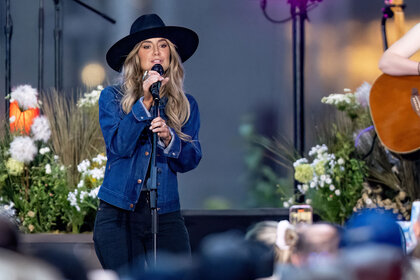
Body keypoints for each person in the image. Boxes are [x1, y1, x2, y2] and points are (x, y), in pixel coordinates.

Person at [93, 13, 202, 273]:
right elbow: (118, 146)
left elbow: (191, 159)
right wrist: (144, 104)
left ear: (171, 54)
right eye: (147, 46)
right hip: (118, 214)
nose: (156, 52)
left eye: (163, 45)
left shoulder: (186, 105)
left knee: (179, 275)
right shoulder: (112, 98)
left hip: (164, 214)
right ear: (135, 56)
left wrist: (169, 138)